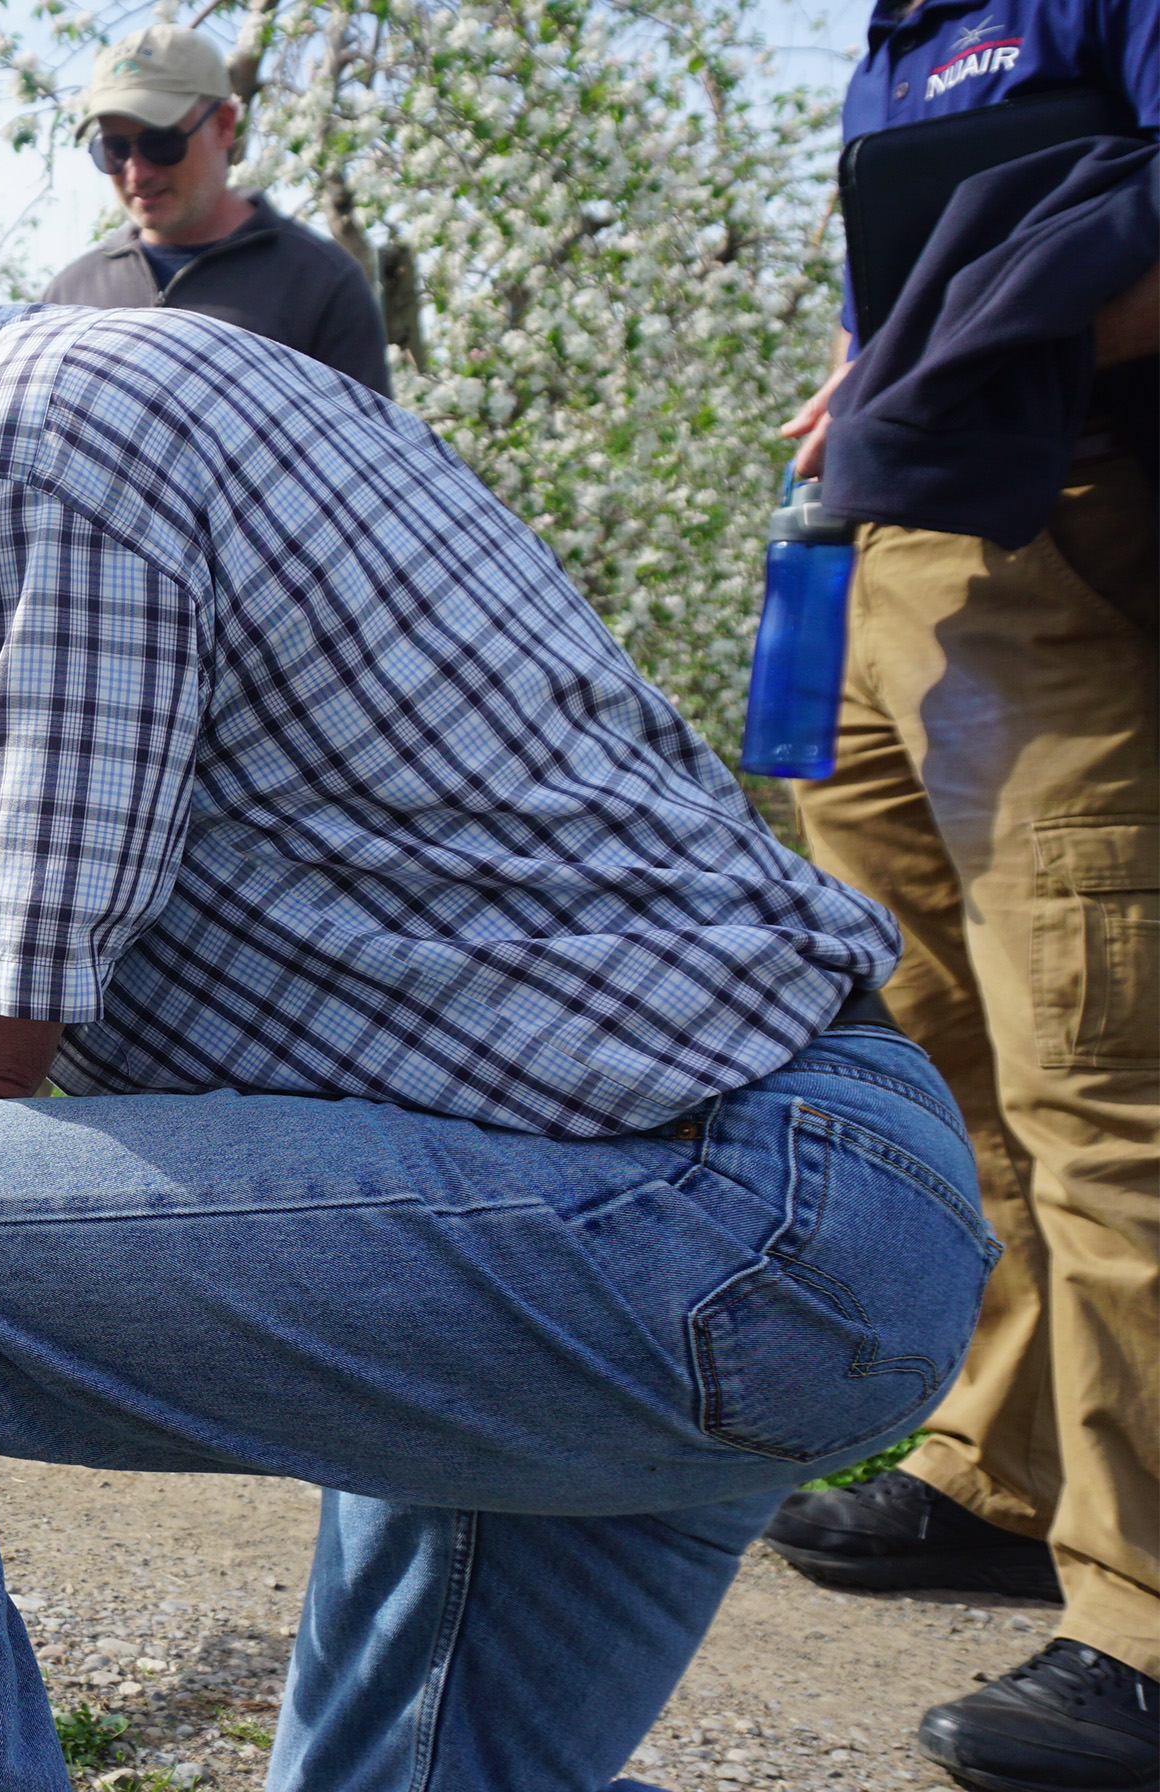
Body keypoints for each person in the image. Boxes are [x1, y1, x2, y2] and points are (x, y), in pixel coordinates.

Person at [0, 136, 993, 1792]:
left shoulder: (16, 459)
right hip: (733, 1193)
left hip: (701, 1215)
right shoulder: (91, 399)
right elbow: (51, 925)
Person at [758, 0, 1160, 1780]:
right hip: (889, 546)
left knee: (1103, 1075)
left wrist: (983, 353)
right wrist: (879, 372)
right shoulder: (897, 34)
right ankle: (1001, 1461)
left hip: (1061, 515)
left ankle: (1147, 1614)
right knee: (938, 1045)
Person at [39, 22, 392, 396]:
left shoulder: (320, 283)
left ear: (224, 124)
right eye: (115, 149)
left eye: (161, 143)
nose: (136, 173)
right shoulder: (67, 299)